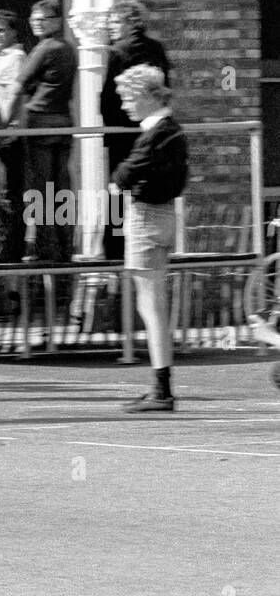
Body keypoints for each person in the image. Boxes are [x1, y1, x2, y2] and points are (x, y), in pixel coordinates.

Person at [112, 65, 187, 413]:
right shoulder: (171, 131)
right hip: (165, 214)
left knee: (151, 305)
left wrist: (121, 179)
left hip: (147, 216)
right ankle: (161, 385)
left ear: (145, 95)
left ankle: (162, 387)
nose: (126, 105)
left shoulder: (156, 133)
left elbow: (125, 173)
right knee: (154, 302)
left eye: (129, 98)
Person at [101, 0, 172, 260]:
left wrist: (109, 131)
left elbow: (108, 97)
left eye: (116, 22)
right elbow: (166, 88)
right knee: (147, 187)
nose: (112, 28)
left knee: (118, 189)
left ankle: (115, 251)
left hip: (122, 132)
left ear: (132, 23)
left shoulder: (118, 51)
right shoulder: (157, 49)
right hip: (152, 130)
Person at [13, 0, 78, 263]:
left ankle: (46, 248)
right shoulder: (68, 48)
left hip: (40, 121)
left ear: (57, 21)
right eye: (34, 19)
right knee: (61, 186)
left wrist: (7, 120)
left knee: (41, 188)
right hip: (63, 120)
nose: (37, 24)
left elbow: (20, 84)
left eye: (44, 19)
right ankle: (65, 246)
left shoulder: (44, 48)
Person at [0, 9, 28, 264]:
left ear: (13, 31)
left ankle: (11, 249)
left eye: (1, 30)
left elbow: (12, 96)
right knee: (1, 194)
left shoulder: (16, 58)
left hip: (9, 133)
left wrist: (0, 128)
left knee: (9, 194)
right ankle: (3, 246)